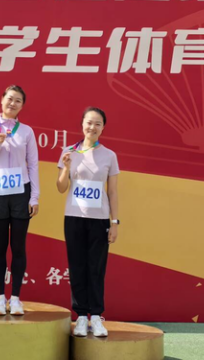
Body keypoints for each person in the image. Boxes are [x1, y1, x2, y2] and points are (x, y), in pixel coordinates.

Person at [0, 85, 40, 316]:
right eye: (10, 99)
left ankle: (16, 299)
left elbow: (33, 165)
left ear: (22, 106)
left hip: (21, 192)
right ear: (2, 100)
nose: (13, 103)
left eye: (18, 101)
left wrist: (34, 196)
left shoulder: (27, 132)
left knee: (19, 247)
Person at [56, 107, 120, 337]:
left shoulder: (109, 156)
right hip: (74, 218)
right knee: (77, 267)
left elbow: (112, 192)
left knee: (96, 268)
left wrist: (114, 222)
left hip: (99, 219)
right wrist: (65, 168)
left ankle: (96, 316)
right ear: (82, 124)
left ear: (103, 128)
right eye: (89, 122)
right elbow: (61, 187)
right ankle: (81, 316)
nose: (92, 127)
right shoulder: (69, 152)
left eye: (97, 124)